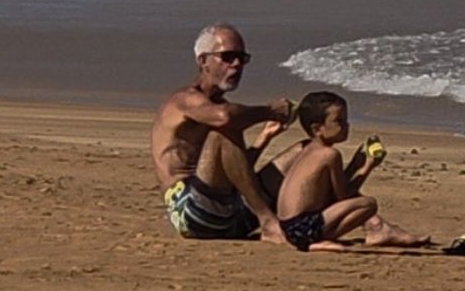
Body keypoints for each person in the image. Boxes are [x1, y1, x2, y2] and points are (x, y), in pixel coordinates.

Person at [150, 23, 300, 243]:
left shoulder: (221, 108)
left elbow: (235, 170)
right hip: (192, 213)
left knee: (302, 150)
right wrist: (270, 111)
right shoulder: (184, 100)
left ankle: (316, 221)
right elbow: (224, 118)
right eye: (228, 57)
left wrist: (264, 138)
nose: (237, 65)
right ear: (203, 61)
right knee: (224, 131)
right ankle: (268, 221)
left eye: (242, 58)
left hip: (231, 213)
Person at [275, 91, 428, 252]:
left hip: (288, 227)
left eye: (346, 120)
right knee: (368, 204)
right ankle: (319, 240)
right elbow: (342, 196)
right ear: (317, 128)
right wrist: (368, 168)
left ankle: (372, 229)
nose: (346, 126)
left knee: (357, 203)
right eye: (339, 121)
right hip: (303, 227)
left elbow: (332, 190)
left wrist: (355, 166)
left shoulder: (309, 148)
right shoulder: (330, 154)